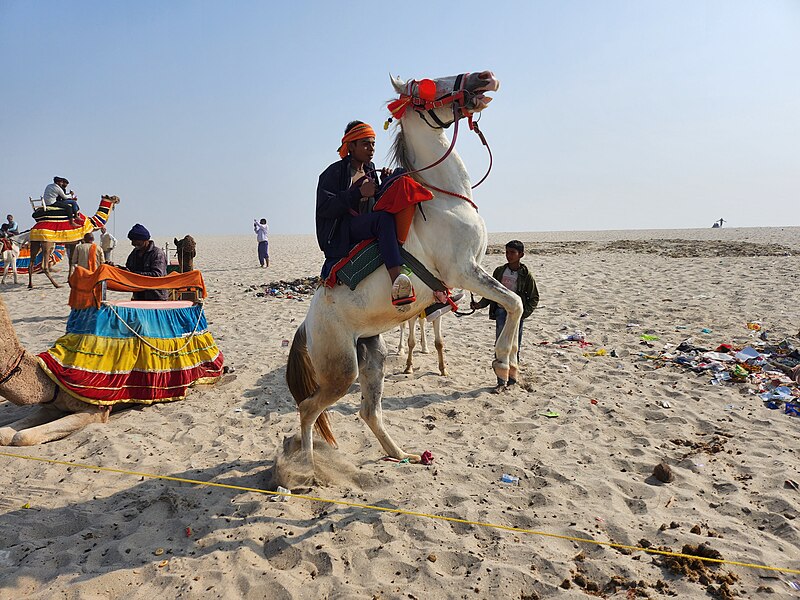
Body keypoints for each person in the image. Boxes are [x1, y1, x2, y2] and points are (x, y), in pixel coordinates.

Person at [316, 120, 413, 307]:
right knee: (383, 219)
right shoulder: (333, 173)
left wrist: (384, 182)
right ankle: (397, 279)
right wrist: (357, 192)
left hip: (364, 224)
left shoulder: (370, 169)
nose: (371, 148)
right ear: (351, 145)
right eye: (365, 143)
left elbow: (374, 202)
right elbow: (325, 208)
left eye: (373, 143)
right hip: (342, 231)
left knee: (400, 177)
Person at [471, 240, 539, 388]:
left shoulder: (526, 275)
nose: (508, 255)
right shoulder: (500, 271)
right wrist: (479, 305)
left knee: (514, 346)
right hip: (501, 312)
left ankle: (513, 379)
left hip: (516, 315)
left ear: (521, 254)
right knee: (500, 346)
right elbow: (491, 293)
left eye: (512, 253)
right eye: (507, 252)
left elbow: (534, 297)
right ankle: (501, 381)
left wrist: (523, 314)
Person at [124, 223, 168, 301]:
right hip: (139, 297)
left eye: (135, 240)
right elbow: (128, 270)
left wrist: (135, 274)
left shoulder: (157, 253)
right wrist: (115, 268)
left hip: (156, 298)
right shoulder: (134, 253)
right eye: (132, 240)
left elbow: (157, 275)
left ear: (144, 240)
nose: (133, 243)